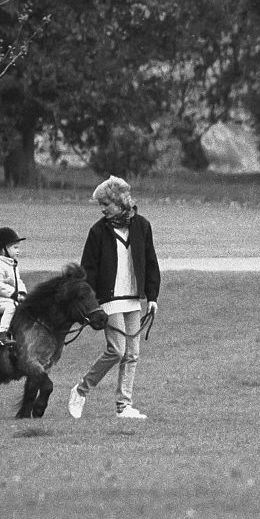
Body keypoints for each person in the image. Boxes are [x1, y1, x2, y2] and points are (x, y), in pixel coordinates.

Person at [69, 175, 160, 419]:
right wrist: (89, 304)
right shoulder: (98, 232)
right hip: (108, 301)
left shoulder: (142, 226)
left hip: (133, 299)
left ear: (119, 203)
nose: (102, 209)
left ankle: (124, 406)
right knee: (117, 351)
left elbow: (151, 263)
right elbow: (87, 270)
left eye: (105, 204)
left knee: (133, 354)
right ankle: (80, 390)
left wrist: (152, 297)